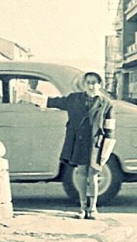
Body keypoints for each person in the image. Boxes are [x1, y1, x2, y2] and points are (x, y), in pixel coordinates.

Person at [26, 71, 116, 219]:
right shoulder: (74, 99)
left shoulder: (107, 104)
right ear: (84, 84)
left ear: (100, 84)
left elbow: (110, 129)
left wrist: (106, 152)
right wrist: (32, 97)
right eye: (88, 82)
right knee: (81, 174)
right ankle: (82, 207)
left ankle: (93, 208)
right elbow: (53, 101)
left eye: (94, 82)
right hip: (79, 142)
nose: (91, 85)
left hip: (96, 144)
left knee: (93, 175)